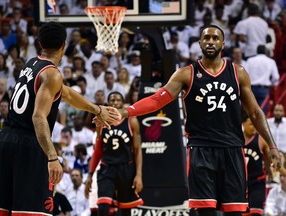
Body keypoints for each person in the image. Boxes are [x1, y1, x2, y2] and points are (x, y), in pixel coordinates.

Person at [113, 25, 281, 216]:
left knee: (234, 212)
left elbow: (256, 113)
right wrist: (126, 111)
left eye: (215, 38)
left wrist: (272, 146)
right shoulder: (187, 73)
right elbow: (157, 99)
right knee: (205, 212)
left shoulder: (238, 73)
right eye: (206, 38)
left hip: (232, 150)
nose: (210, 41)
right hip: (201, 150)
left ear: (223, 43)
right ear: (200, 43)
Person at [0, 22, 121, 215]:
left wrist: (97, 109)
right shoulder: (52, 74)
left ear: (39, 43)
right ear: (64, 45)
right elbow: (38, 117)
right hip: (28, 146)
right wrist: (52, 156)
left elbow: (66, 93)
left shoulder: (32, 63)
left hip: (5, 141)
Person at [86, 91, 143, 216]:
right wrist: (90, 174)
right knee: (103, 207)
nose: (115, 102)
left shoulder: (131, 121)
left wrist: (138, 175)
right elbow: (98, 150)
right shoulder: (101, 123)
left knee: (125, 210)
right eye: (112, 100)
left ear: (123, 103)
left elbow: (138, 150)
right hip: (107, 168)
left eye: (118, 100)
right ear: (108, 103)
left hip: (126, 168)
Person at [242, 112, 271, 216]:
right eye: (250, 124)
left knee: (256, 213)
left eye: (255, 124)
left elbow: (271, 160)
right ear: (243, 124)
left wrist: (281, 171)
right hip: (240, 183)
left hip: (257, 182)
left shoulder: (260, 140)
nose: (254, 127)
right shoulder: (236, 140)